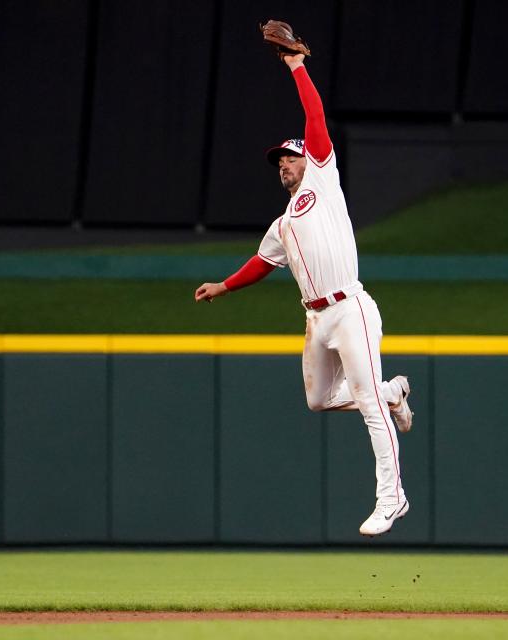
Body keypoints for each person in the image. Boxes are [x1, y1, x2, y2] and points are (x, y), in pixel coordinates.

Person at [194, 52, 412, 537]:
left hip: (349, 306)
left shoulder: (323, 179)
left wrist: (296, 65)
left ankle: (391, 497)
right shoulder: (283, 224)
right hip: (317, 320)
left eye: (289, 157)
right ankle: (392, 390)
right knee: (318, 400)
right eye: (280, 161)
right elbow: (261, 263)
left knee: (369, 408)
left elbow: (314, 116)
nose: (284, 165)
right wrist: (223, 286)